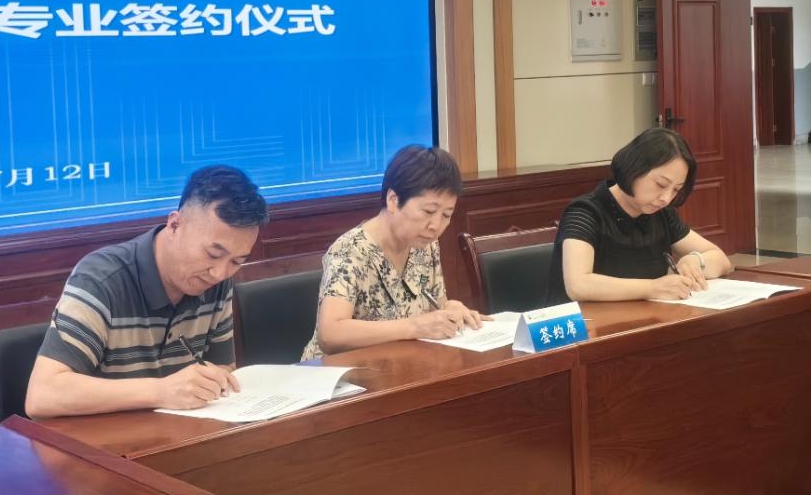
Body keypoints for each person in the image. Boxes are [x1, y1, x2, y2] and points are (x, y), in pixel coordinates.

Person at [24, 164, 268, 414]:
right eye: (213, 254)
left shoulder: (217, 281)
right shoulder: (101, 279)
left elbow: (222, 369)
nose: (220, 273)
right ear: (175, 225)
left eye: (237, 261)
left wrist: (214, 380)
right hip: (104, 435)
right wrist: (161, 392)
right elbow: (42, 396)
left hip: (177, 432)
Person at [302, 147, 480, 358]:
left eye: (446, 215)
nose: (436, 225)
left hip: (401, 364)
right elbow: (331, 334)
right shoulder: (351, 250)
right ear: (393, 200)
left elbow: (434, 310)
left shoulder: (425, 244)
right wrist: (413, 327)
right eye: (429, 211)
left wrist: (450, 309)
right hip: (339, 373)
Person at [552, 127, 734, 309]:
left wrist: (696, 260)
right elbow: (578, 285)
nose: (666, 198)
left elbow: (722, 260)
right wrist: (653, 288)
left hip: (645, 317)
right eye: (661, 184)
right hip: (581, 322)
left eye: (676, 189)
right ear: (634, 169)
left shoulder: (661, 214)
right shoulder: (585, 212)